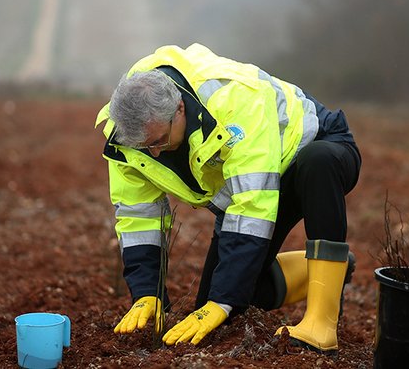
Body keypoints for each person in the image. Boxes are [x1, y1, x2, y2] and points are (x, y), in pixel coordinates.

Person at [95, 43, 361, 352]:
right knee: (225, 304)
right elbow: (138, 217)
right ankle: (329, 271)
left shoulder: (233, 99)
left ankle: (321, 322)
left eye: (160, 141)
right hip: (252, 184)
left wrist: (223, 300)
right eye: (145, 147)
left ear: (179, 108)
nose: (154, 152)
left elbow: (251, 206)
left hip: (315, 149)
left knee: (319, 161)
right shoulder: (125, 138)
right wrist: (146, 293)